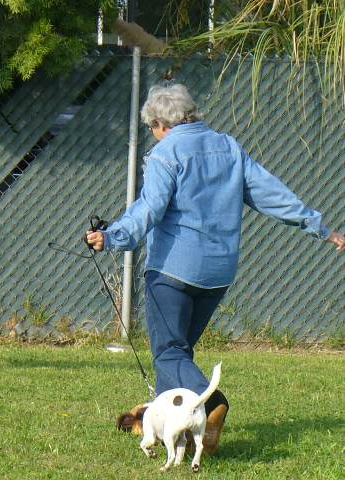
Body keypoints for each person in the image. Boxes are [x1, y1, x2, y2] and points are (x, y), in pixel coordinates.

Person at [86, 83, 345, 453]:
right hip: (218, 273)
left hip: (172, 270)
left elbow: (149, 209)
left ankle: (212, 403)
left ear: (161, 123)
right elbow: (270, 193)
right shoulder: (228, 147)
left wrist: (112, 237)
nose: (153, 135)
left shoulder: (165, 154)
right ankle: (177, 438)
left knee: (170, 353)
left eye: (151, 128)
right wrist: (319, 227)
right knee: (178, 353)